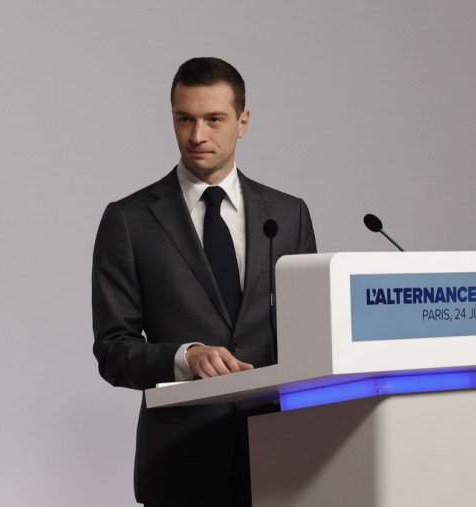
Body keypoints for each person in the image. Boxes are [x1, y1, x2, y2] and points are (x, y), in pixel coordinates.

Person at [91, 57, 317, 506]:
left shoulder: (288, 215)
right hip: (181, 465)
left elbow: (309, 336)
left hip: (282, 454)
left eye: (214, 119)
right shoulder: (130, 220)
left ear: (243, 122)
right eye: (184, 119)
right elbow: (113, 350)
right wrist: (183, 357)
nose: (197, 136)